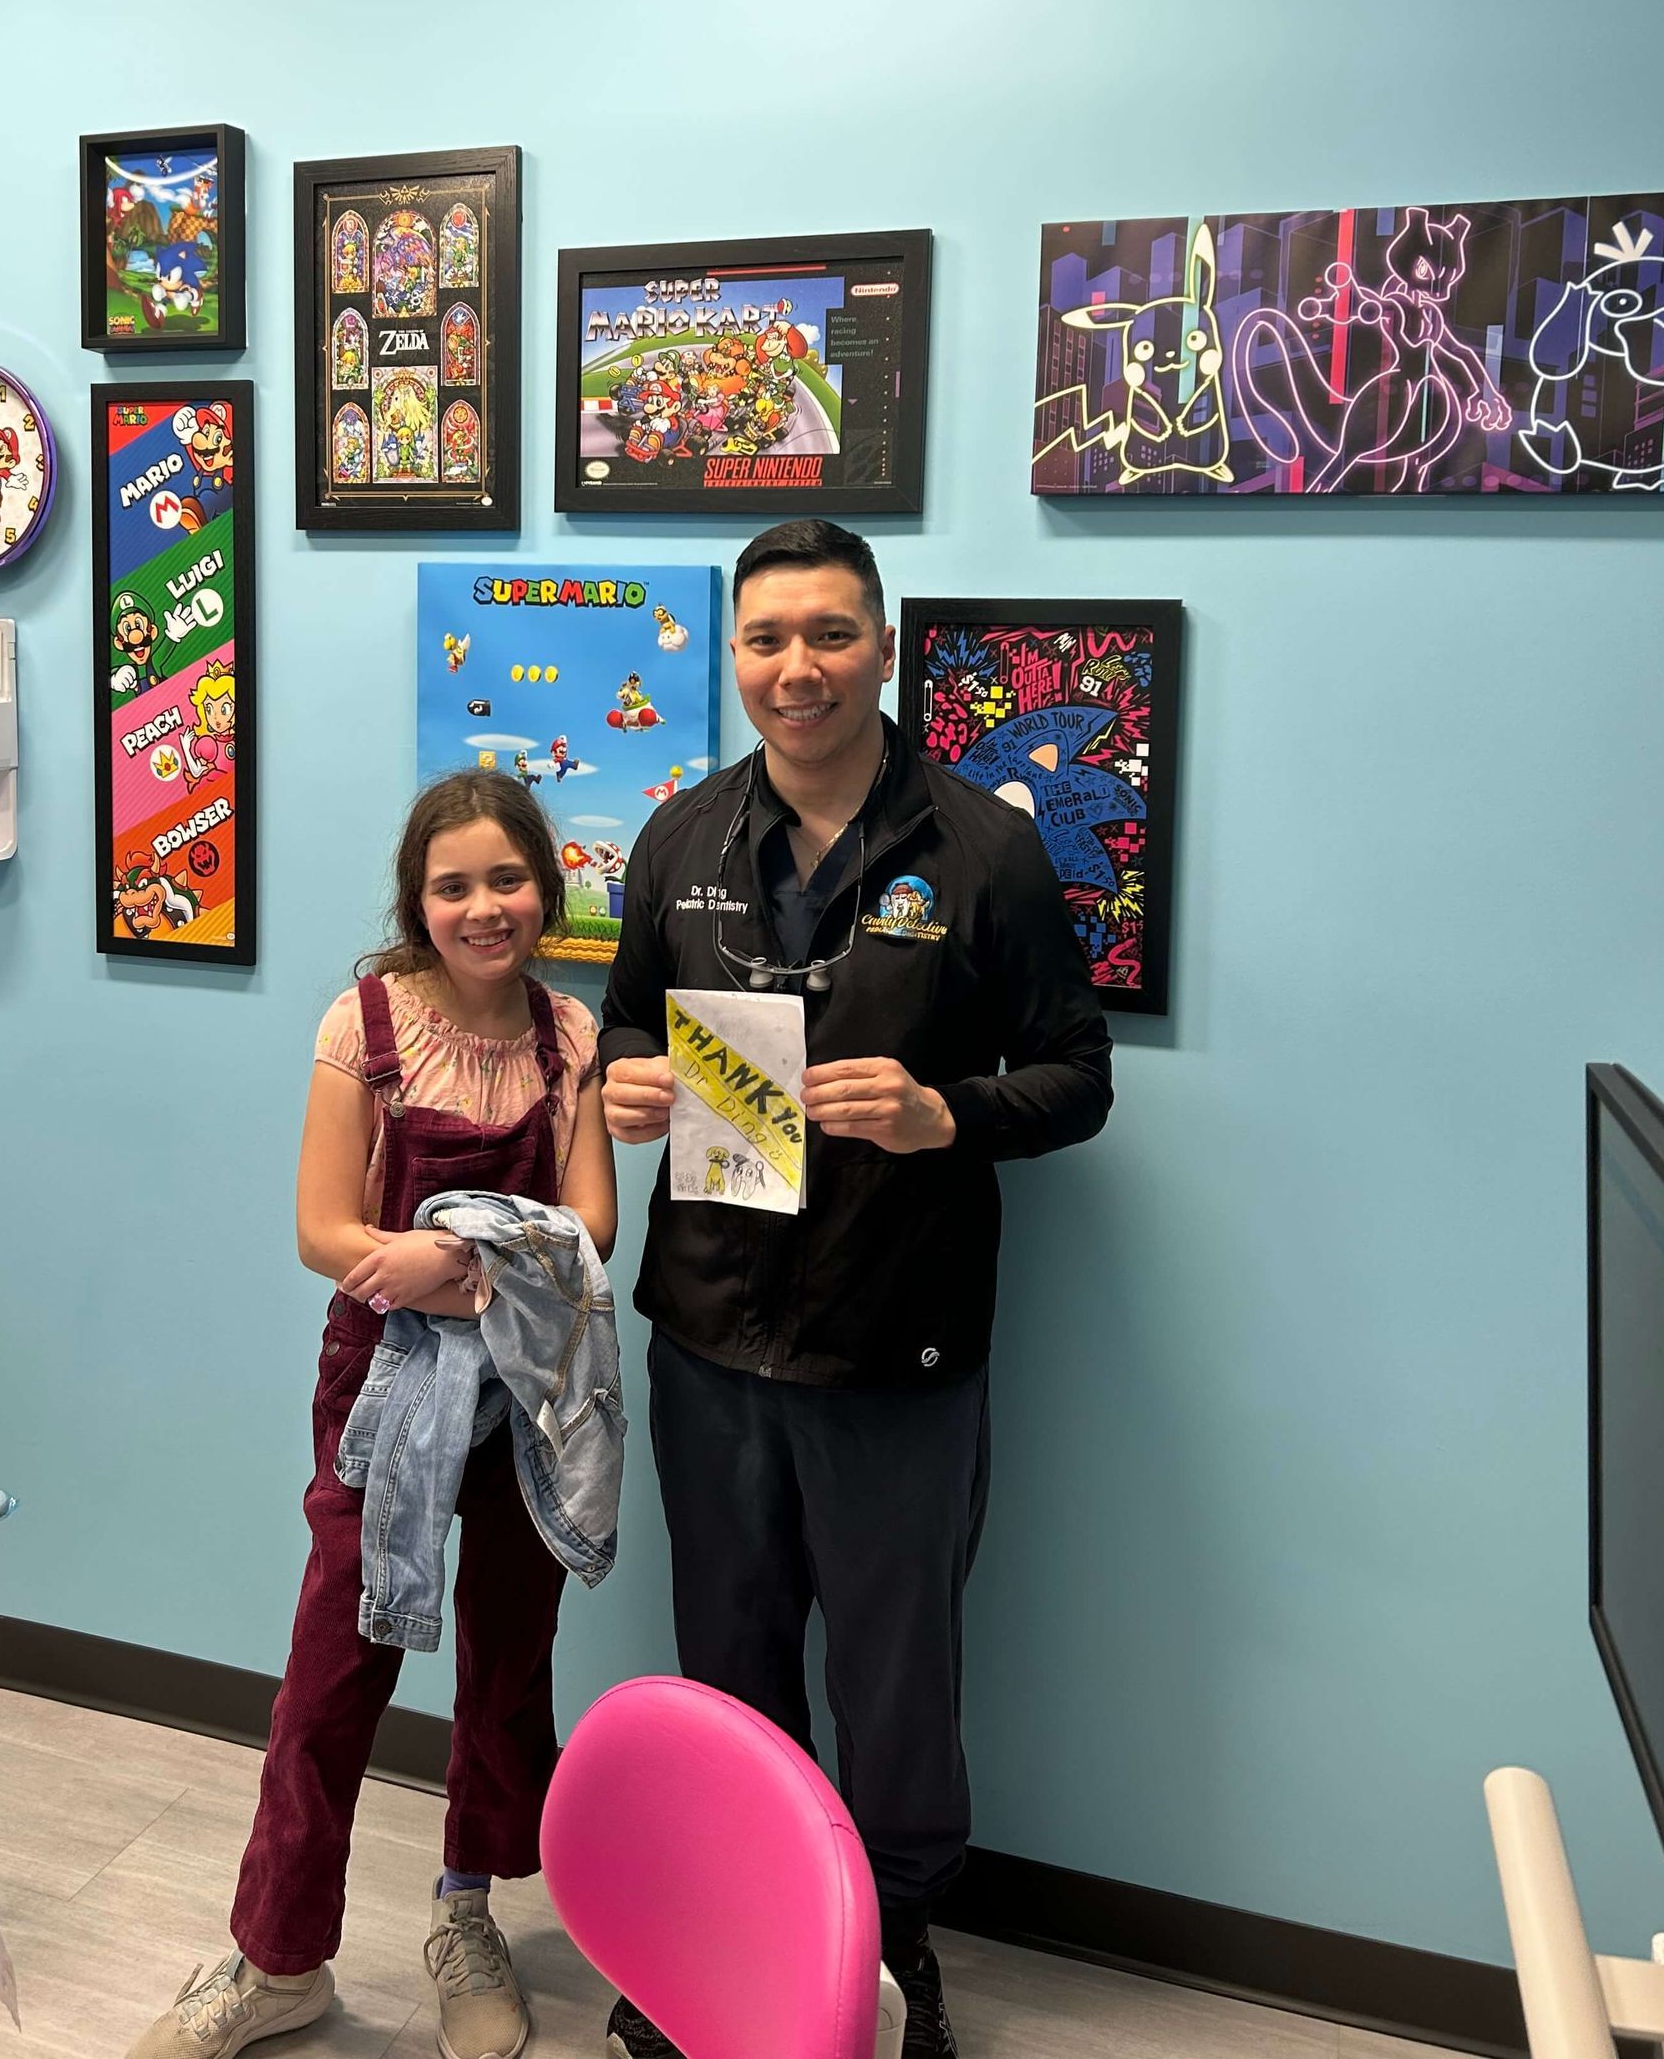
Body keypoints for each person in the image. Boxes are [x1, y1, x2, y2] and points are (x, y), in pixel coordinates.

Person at [598, 519, 1113, 2059]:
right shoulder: (680, 840)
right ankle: (733, 1929)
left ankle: (887, 1951)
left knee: (897, 1690)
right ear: (735, 657)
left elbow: (1077, 1082)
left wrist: (944, 1113)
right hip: (709, 1337)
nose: (795, 668)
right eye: (766, 639)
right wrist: (628, 1086)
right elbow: (623, 1032)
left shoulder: (985, 846)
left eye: (828, 634)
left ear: (884, 649)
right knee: (731, 1665)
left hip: (901, 1345)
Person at [127, 770, 617, 2059]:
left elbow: (596, 1228)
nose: (482, 907)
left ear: (545, 892)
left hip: (528, 1405)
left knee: (509, 1665)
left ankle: (466, 1913)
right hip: (381, 1394)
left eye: (506, 880)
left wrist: (444, 1266)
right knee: (334, 1675)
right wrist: (462, 1269)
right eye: (453, 885)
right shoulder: (365, 1026)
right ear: (418, 900)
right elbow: (323, 1231)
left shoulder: (573, 1038)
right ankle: (277, 1959)